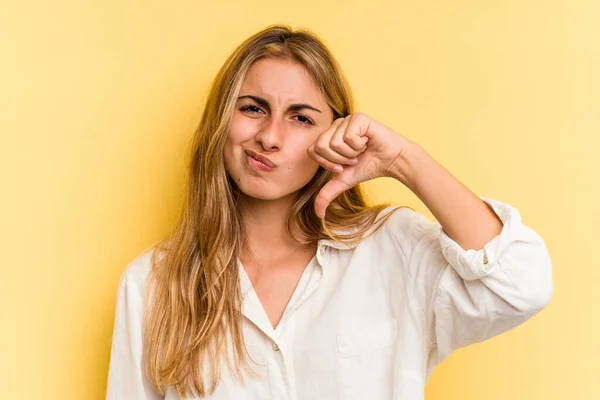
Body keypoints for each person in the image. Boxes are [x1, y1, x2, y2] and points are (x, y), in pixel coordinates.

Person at [106, 24, 554, 400]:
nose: (270, 136)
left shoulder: (391, 248)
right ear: (222, 119)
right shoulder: (152, 285)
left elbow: (522, 285)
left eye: (301, 117)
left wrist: (403, 161)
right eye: (253, 108)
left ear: (335, 134)